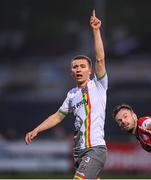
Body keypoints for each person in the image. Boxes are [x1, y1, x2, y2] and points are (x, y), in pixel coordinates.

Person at [25, 10, 108, 179]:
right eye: (75, 67)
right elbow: (57, 116)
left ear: (90, 70)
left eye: (82, 66)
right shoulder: (71, 94)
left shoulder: (98, 85)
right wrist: (37, 130)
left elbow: (100, 58)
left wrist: (96, 30)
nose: (78, 69)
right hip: (79, 150)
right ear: (71, 72)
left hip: (95, 148)